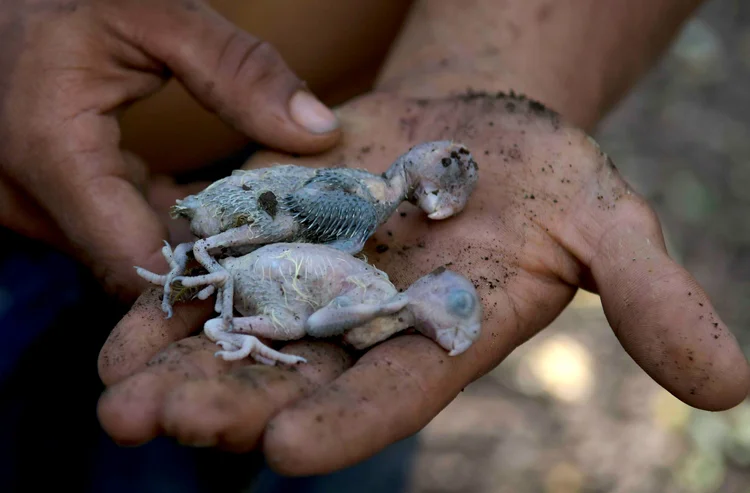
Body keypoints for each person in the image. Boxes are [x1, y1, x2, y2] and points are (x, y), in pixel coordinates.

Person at [1, 0, 748, 489]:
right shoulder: (355, 206)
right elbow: (283, 222)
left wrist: (494, 73)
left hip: (281, 183)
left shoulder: (366, 219)